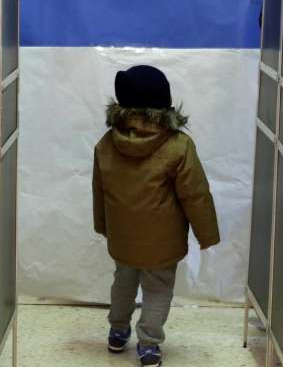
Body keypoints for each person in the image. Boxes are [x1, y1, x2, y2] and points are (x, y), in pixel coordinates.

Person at [92, 65, 220, 367]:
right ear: (164, 103)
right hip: (163, 240)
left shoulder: (107, 143)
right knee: (158, 287)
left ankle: (117, 331)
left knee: (123, 280)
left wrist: (103, 226)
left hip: (122, 236)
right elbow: (195, 195)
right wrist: (207, 234)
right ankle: (148, 344)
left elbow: (99, 190)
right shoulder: (178, 145)